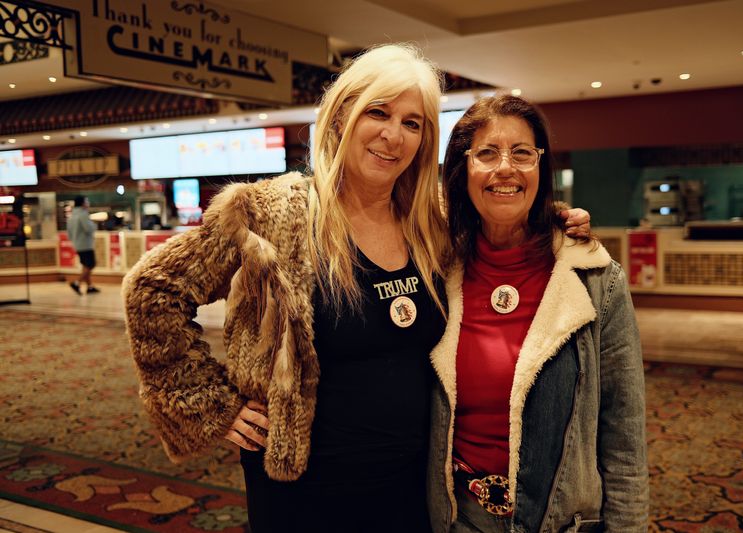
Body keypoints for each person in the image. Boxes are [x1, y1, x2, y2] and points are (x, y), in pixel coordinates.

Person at [123, 45, 590, 533]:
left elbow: (503, 217)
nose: (394, 136)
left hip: (413, 486)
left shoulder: (431, 221)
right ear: (343, 113)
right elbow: (153, 287)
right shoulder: (271, 214)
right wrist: (209, 406)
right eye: (379, 113)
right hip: (305, 489)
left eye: (413, 124)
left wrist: (556, 224)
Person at [427, 95, 648, 533]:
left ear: (540, 168)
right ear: (462, 169)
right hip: (457, 518)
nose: (505, 168)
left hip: (561, 520)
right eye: (486, 153)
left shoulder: (595, 279)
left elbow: (624, 432)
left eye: (522, 153)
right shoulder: (434, 270)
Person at [66, 195, 99, 294]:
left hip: (77, 244)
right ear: (82, 203)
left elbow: (69, 233)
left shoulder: (71, 216)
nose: (88, 203)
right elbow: (88, 228)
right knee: (91, 264)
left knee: (86, 265)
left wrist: (74, 241)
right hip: (86, 244)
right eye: (87, 201)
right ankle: (77, 283)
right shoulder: (83, 214)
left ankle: (90, 287)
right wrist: (95, 225)